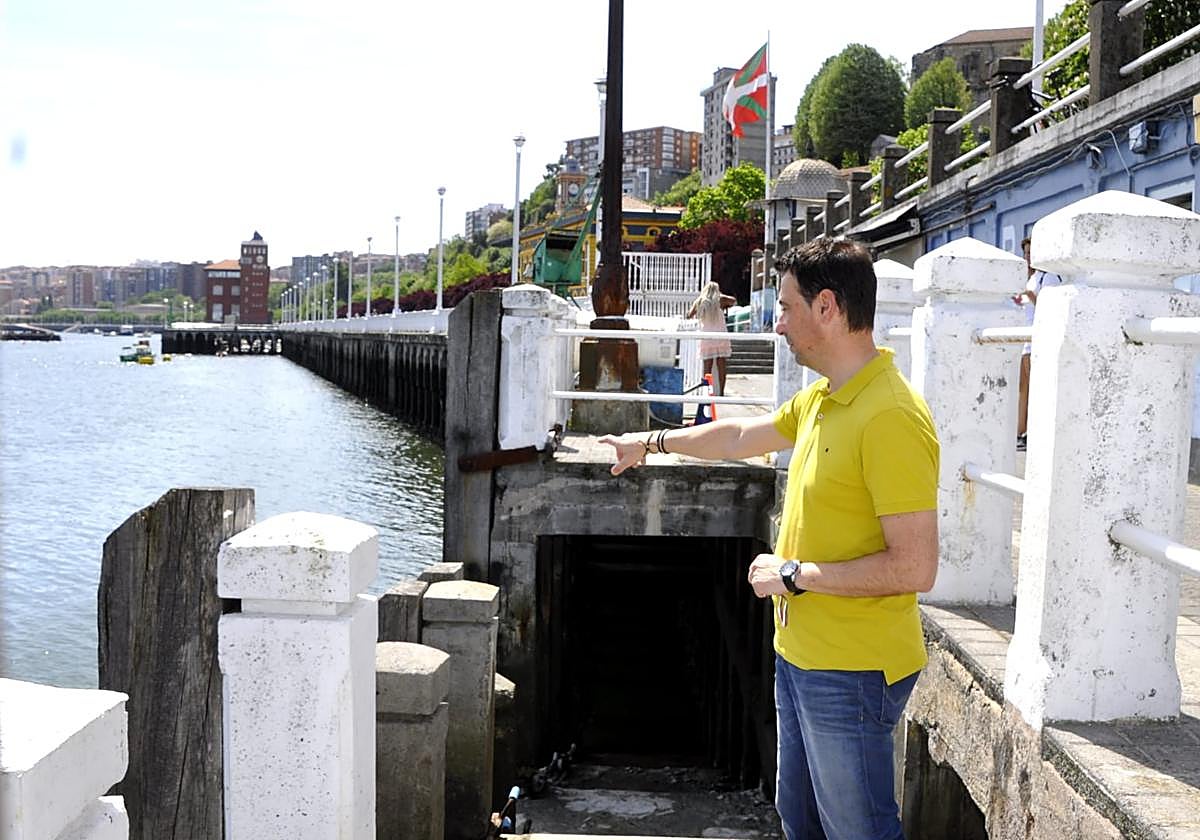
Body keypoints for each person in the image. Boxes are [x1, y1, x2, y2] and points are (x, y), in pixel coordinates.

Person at [600, 238, 940, 840]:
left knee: (858, 831)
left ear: (827, 308)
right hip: (801, 657)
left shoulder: (890, 416)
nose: (776, 322)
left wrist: (794, 575)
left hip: (854, 671)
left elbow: (914, 567)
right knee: (801, 823)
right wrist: (649, 445)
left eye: (785, 307)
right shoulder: (825, 398)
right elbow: (736, 436)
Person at [1012, 236, 1062, 451]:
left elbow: (1049, 305)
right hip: (1027, 340)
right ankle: (1020, 431)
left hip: (1038, 340)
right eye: (1026, 253)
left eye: (1032, 252)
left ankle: (1029, 433)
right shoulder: (1034, 277)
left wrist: (1030, 296)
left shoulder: (1050, 276)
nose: (1028, 257)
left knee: (1035, 390)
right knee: (1023, 389)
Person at [686, 281, 736, 396]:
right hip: (720, 336)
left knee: (707, 367)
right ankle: (721, 392)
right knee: (721, 366)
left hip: (706, 336)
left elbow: (689, 315)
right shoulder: (720, 300)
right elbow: (733, 300)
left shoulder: (700, 301)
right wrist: (721, 295)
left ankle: (706, 392)